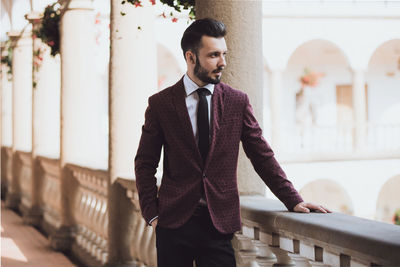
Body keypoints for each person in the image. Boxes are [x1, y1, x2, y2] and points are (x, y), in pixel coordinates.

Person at [135, 18, 331, 267]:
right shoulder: (161, 104)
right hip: (174, 225)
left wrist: (293, 198)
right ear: (191, 57)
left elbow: (261, 154)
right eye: (214, 55)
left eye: (224, 54)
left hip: (218, 225)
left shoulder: (237, 102)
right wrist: (151, 213)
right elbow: (144, 163)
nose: (223, 62)